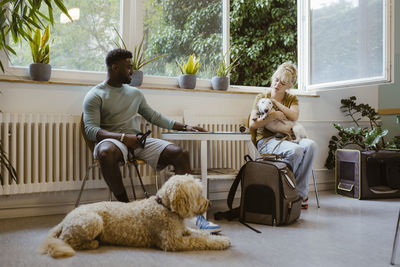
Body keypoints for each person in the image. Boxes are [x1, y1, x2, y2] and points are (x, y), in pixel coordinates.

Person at [83, 48, 220, 232]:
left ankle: (189, 216)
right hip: (115, 142)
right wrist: (124, 138)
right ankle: (126, 209)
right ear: (115, 68)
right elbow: (91, 130)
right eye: (128, 67)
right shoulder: (95, 95)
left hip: (138, 141)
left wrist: (187, 127)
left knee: (180, 154)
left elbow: (155, 117)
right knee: (104, 152)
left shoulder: (135, 94)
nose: (132, 71)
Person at [249, 62, 317, 209]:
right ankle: (289, 191)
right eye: (276, 79)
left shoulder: (291, 99)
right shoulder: (261, 97)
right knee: (296, 151)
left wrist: (276, 104)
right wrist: (272, 115)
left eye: (283, 82)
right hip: (267, 141)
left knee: (311, 145)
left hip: (289, 137)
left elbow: (294, 116)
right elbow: (252, 125)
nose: (277, 84)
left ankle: (299, 194)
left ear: (288, 86)